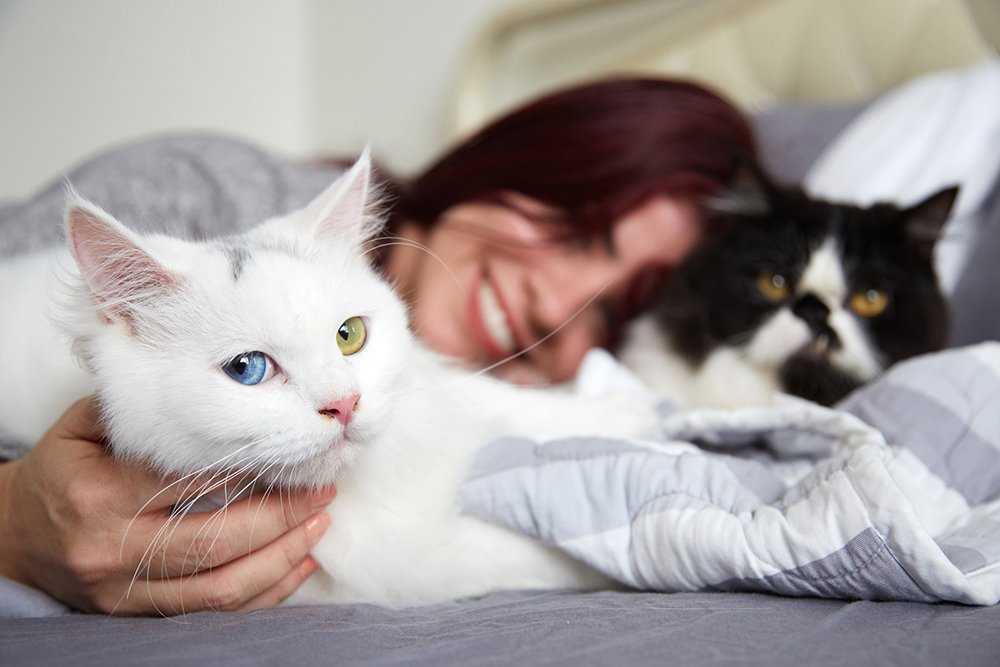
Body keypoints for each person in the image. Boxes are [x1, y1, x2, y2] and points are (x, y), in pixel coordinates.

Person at [0, 77, 756, 615]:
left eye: (611, 307)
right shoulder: (202, 192)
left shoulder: (446, 377)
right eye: (575, 226)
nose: (554, 303)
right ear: (519, 158)